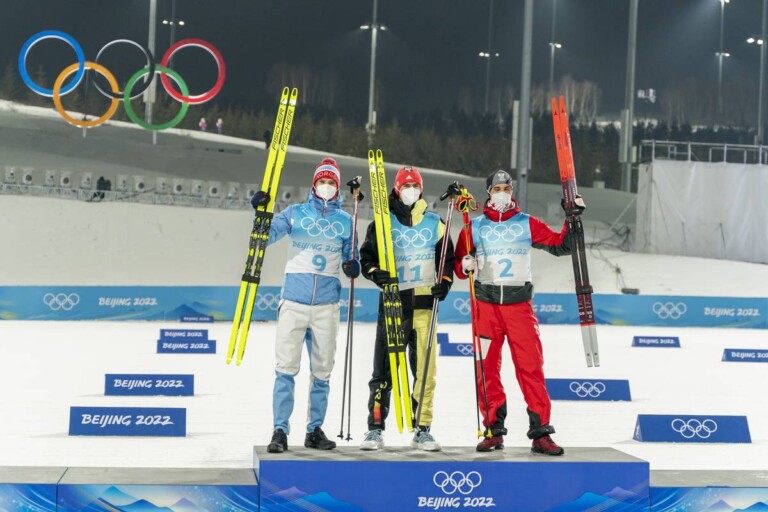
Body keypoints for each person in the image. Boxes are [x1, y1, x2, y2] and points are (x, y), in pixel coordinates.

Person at [454, 170, 585, 456]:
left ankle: (541, 434)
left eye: (506, 188)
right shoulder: (473, 228)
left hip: (519, 308)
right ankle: (493, 430)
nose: (502, 193)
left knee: (530, 368)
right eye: (496, 188)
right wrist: (464, 265)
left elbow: (561, 246)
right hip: (486, 307)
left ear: (512, 191)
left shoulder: (526, 223)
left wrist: (571, 217)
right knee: (486, 369)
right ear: (489, 192)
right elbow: (458, 268)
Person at [250, 157, 360, 453]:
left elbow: (353, 258)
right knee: (285, 369)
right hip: (294, 303)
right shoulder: (296, 213)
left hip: (327, 306)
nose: (326, 186)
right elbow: (264, 237)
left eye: (331, 182)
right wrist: (260, 211)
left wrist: (353, 267)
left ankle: (314, 430)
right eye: (322, 181)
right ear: (314, 185)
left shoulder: (346, 221)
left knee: (322, 371)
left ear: (337, 188)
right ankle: (280, 430)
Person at [359, 166, 454, 452]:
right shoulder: (382, 222)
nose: (410, 190)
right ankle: (375, 429)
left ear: (421, 189)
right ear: (397, 189)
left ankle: (422, 428)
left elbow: (446, 260)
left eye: (415, 185)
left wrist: (445, 283)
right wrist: (376, 273)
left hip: (425, 305)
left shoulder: (436, 223)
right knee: (384, 369)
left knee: (425, 371)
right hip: (393, 304)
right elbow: (367, 258)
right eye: (406, 185)